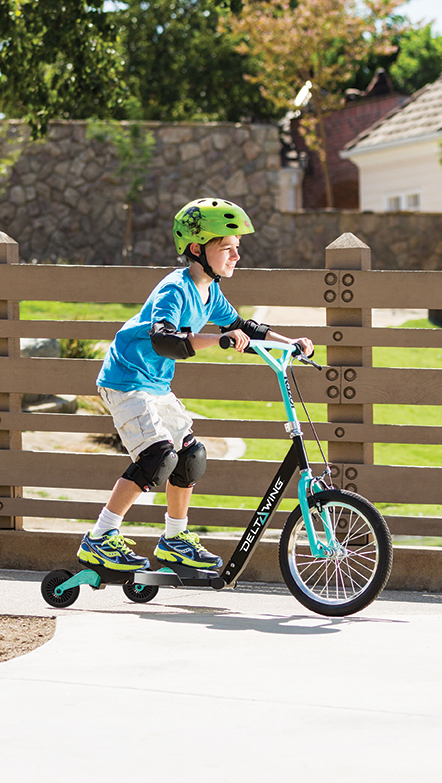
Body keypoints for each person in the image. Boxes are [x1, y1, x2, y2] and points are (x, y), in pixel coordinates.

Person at [77, 198, 313, 573]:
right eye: (227, 248)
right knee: (157, 457)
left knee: (189, 456)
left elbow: (244, 329)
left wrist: (291, 344)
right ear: (196, 249)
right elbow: (165, 339)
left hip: (154, 382)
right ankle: (100, 539)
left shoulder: (210, 291)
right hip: (126, 379)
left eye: (238, 248)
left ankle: (174, 540)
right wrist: (216, 340)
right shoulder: (175, 289)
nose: (236, 256)